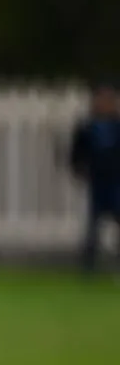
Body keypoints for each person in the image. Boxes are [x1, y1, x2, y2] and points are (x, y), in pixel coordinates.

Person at [68, 82, 120, 273]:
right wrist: (77, 168)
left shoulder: (117, 127)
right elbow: (77, 152)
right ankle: (89, 263)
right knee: (94, 223)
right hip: (97, 180)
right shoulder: (87, 127)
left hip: (116, 180)